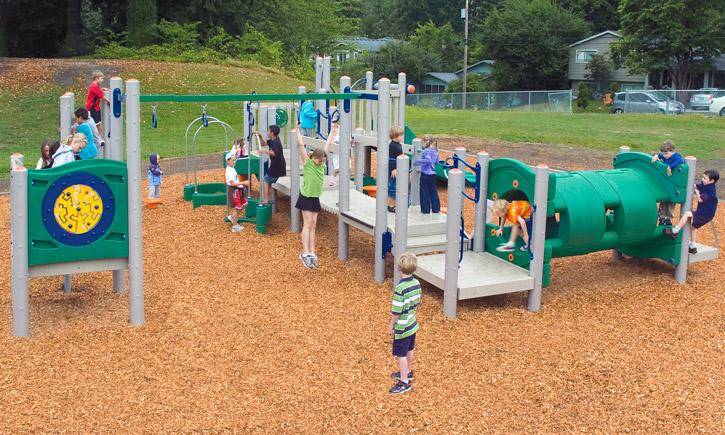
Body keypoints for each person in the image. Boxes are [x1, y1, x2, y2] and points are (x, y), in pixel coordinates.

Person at [293, 122, 338, 268]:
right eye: (320, 160)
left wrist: (333, 130)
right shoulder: (308, 162)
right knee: (307, 224)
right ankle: (305, 252)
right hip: (305, 196)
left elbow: (328, 144)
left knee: (314, 224)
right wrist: (297, 131)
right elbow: (301, 146)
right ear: (315, 158)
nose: (321, 163)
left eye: (323, 161)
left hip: (315, 197)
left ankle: (312, 252)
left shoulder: (321, 162)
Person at [388, 252, 421, 395]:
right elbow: (418, 301)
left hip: (402, 326)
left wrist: (391, 325)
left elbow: (396, 311)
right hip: (412, 323)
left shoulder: (400, 289)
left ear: (398, 268)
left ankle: (404, 382)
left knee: (400, 353)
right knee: (410, 349)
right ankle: (407, 372)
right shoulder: (417, 283)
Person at [664, 170, 719, 254]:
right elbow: (696, 185)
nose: (702, 179)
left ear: (711, 181)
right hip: (705, 213)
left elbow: (700, 200)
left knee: (687, 214)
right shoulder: (705, 184)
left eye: (705, 178)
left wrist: (697, 192)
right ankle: (692, 247)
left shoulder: (710, 190)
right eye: (703, 177)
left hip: (705, 214)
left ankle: (675, 231)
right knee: (693, 227)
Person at [651, 140, 684, 226]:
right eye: (664, 153)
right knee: (663, 200)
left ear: (673, 151)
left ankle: (668, 218)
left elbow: (680, 161)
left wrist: (670, 166)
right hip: (666, 183)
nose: (665, 156)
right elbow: (660, 155)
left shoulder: (676, 157)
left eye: (666, 153)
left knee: (671, 202)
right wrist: (656, 156)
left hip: (674, 184)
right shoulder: (665, 156)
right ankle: (661, 217)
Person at [253, 125, 286, 205]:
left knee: (266, 180)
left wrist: (263, 152)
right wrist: (260, 136)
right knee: (268, 180)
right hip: (276, 165)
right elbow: (263, 144)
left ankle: (266, 200)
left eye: (268, 130)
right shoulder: (273, 140)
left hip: (277, 166)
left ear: (272, 133)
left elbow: (274, 153)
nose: (267, 132)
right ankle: (269, 199)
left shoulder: (276, 142)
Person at [413, 135, 440, 214]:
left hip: (425, 174)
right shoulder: (435, 151)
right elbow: (437, 162)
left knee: (424, 192)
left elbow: (427, 160)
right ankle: (436, 208)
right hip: (433, 174)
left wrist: (417, 162)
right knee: (433, 191)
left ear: (425, 142)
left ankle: (425, 210)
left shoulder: (425, 151)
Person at [225, 152, 250, 233]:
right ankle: (235, 227)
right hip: (233, 190)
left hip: (237, 189)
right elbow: (232, 183)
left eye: (235, 160)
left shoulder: (231, 168)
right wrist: (243, 183)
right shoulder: (229, 171)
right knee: (236, 208)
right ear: (227, 161)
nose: (234, 161)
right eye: (233, 160)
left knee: (244, 204)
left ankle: (233, 217)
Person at [86, 70, 109, 136]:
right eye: (101, 78)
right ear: (96, 78)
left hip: (96, 108)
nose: (102, 80)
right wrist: (111, 102)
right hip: (92, 108)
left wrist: (102, 89)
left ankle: (99, 138)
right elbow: (102, 96)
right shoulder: (94, 86)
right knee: (96, 125)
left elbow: (98, 92)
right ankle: (99, 138)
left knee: (98, 123)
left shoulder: (95, 86)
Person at [387, 126, 404, 213]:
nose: (401, 137)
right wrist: (394, 169)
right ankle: (391, 205)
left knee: (394, 186)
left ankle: (392, 204)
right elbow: (392, 159)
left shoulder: (396, 145)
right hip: (394, 169)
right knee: (393, 187)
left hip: (397, 167)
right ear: (394, 136)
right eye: (400, 135)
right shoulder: (393, 146)